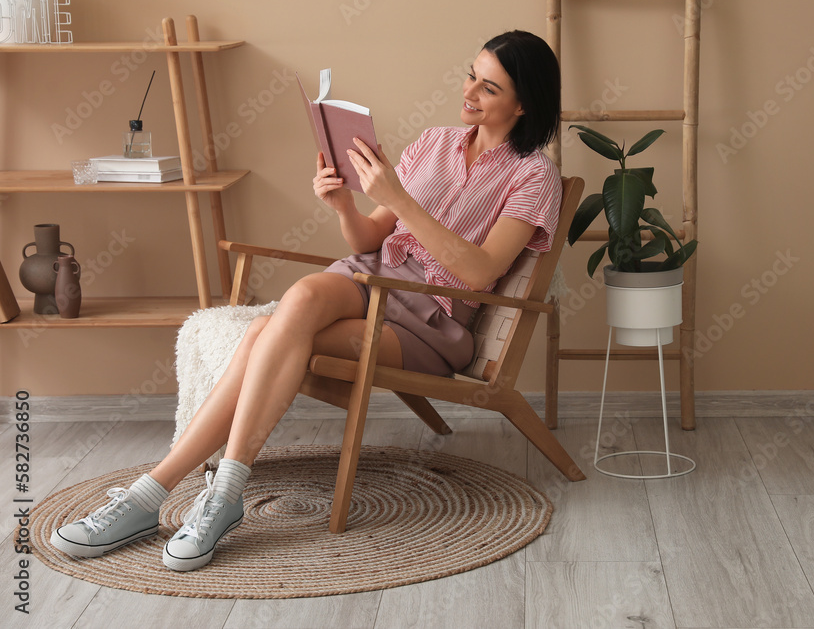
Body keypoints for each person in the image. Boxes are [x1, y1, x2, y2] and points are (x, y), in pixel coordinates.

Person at [50, 30, 563, 571]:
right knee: (293, 304)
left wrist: (397, 198)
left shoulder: (535, 175)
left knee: (258, 335)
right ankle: (185, 495)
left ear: (523, 102)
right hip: (374, 275)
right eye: (471, 75)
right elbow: (370, 240)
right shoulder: (433, 144)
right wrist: (344, 204)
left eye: (489, 87)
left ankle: (167, 497)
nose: (470, 93)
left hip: (434, 318)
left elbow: (481, 270)